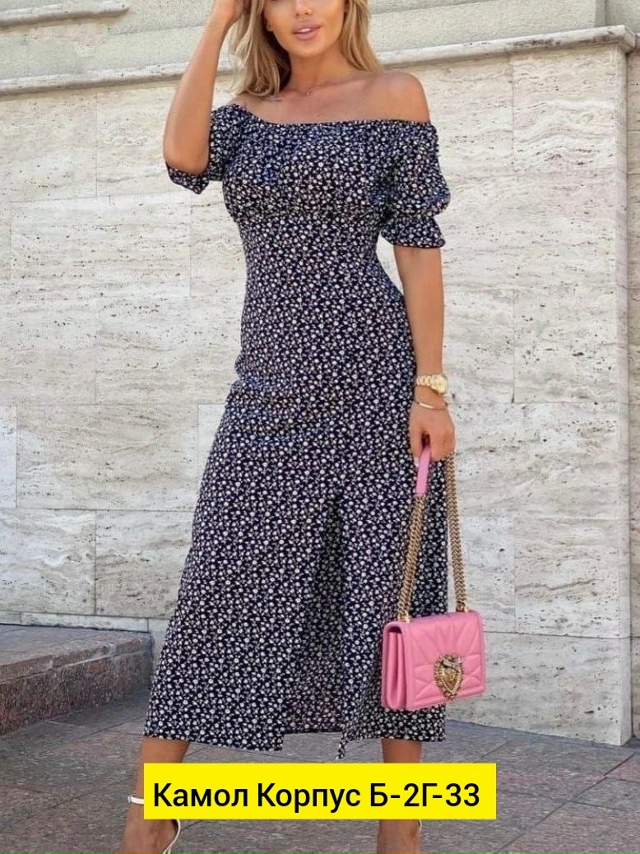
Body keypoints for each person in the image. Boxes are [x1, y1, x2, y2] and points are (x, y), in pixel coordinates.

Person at [116, 0, 455, 852]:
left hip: (378, 383)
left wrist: (431, 390)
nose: (303, 8)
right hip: (269, 386)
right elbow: (182, 157)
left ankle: (400, 834)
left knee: (391, 599)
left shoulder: (396, 96)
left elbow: (418, 247)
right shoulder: (244, 118)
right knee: (218, 590)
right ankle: (150, 822)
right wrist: (214, 25)